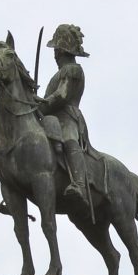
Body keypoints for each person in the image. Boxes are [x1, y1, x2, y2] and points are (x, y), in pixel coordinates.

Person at [37, 24, 92, 209]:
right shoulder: (58, 73)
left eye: (56, 50)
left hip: (68, 116)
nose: (55, 54)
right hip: (51, 118)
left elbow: (62, 95)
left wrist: (41, 103)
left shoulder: (73, 70)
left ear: (61, 51)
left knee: (69, 140)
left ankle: (80, 185)